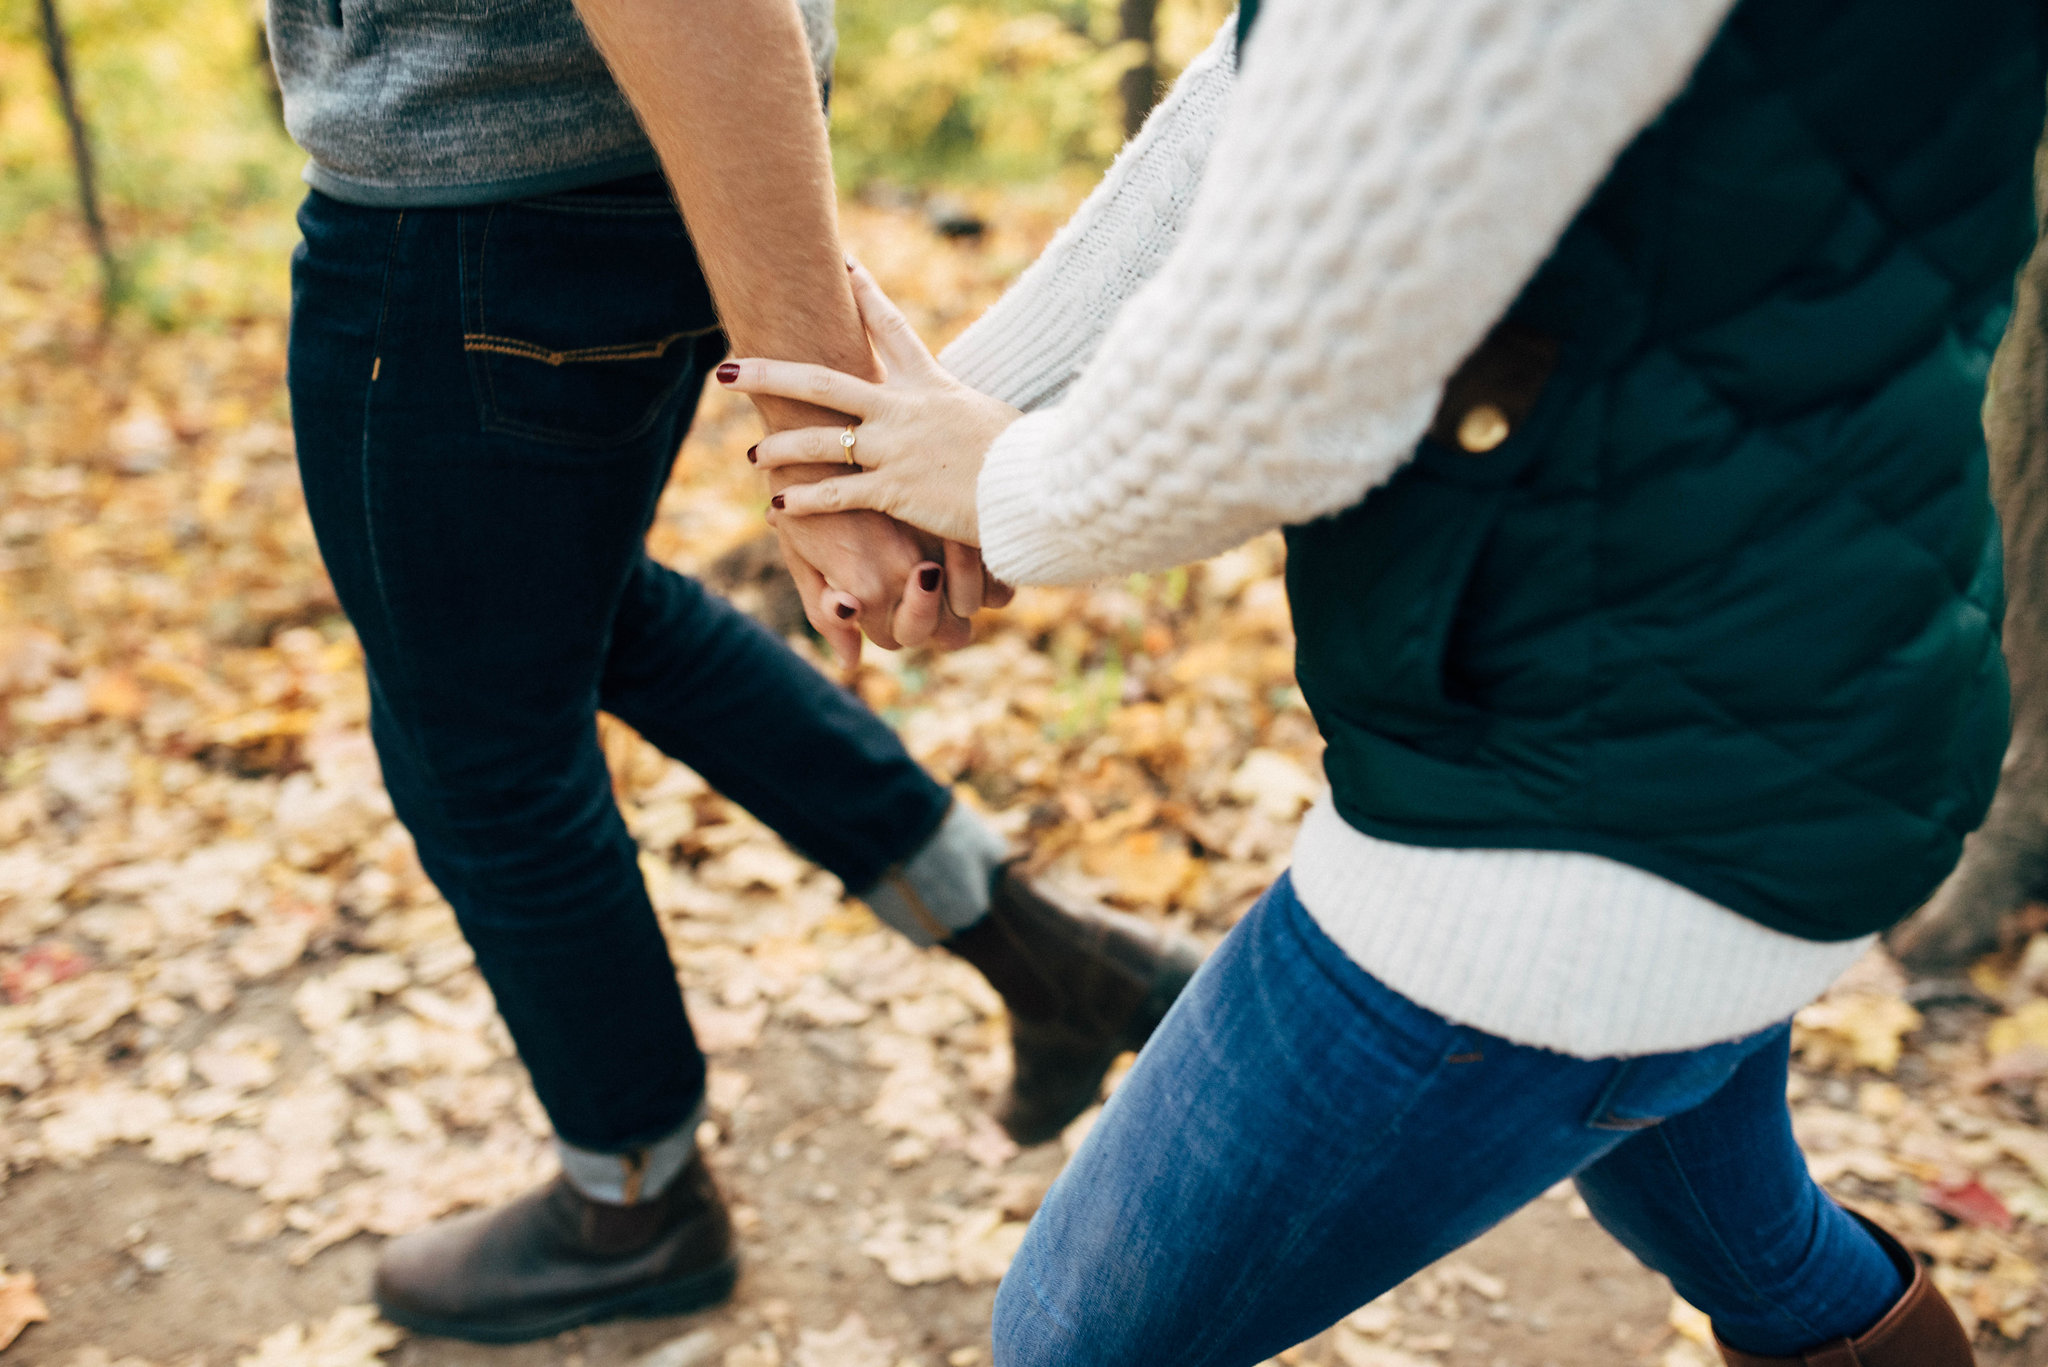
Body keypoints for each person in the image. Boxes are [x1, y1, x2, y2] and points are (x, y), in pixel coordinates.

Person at [726, 0, 2045, 1363]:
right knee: (1752, 1243)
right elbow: (1302, 80)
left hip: (1582, 806)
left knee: (1078, 1342)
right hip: (1813, 687)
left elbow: (1290, 379)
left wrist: (990, 486)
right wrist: (933, 436)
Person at [262, 0, 1202, 1344]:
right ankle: (1047, 957)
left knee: (471, 738)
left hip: (470, 211)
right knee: (578, 617)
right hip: (608, 177)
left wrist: (821, 426)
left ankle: (632, 1206)